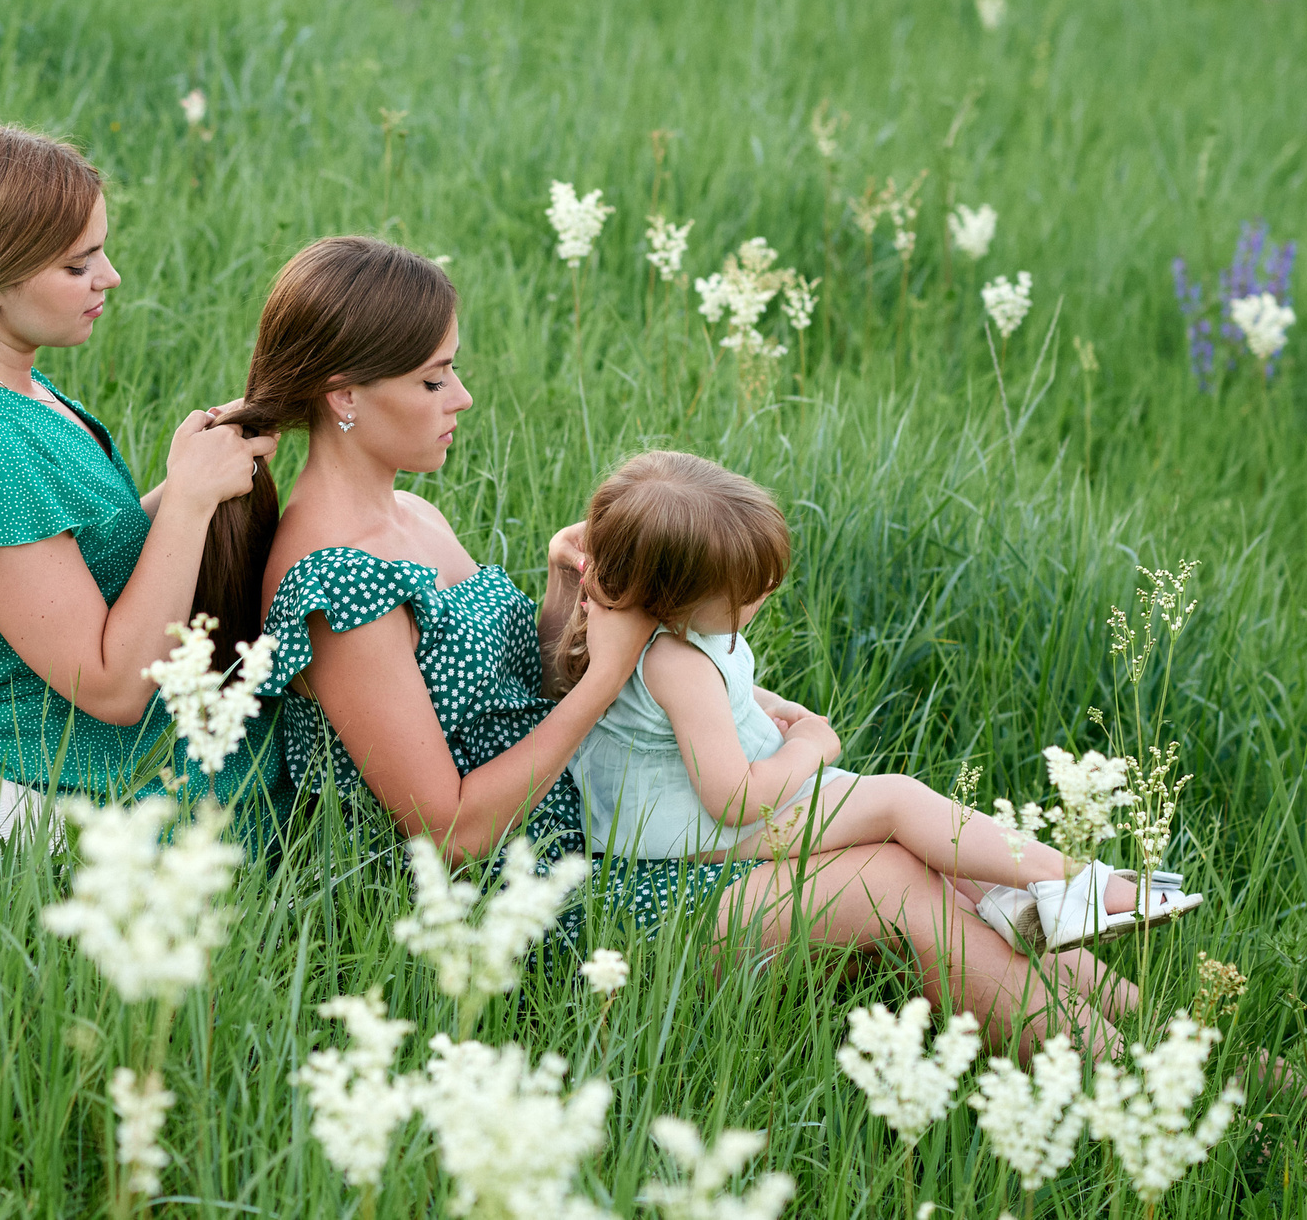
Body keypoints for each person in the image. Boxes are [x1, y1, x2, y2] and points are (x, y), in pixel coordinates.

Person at [209, 234, 1146, 1055]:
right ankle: (1122, 1080)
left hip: (610, 830)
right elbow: (451, 832)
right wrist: (608, 673)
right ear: (344, 396)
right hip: (539, 908)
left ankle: (1141, 1023)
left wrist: (566, 594)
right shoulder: (336, 585)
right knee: (887, 877)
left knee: (919, 850)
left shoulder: (410, 515)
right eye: (432, 378)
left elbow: (509, 694)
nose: (462, 394)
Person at [551, 450, 1202, 953]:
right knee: (898, 802)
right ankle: (1085, 884)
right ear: (677, 596)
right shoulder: (678, 662)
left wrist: (767, 704)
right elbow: (736, 799)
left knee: (915, 829)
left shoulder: (642, 628)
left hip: (689, 823)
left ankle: (1016, 900)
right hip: (706, 833)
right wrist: (810, 745)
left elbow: (705, 700)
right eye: (747, 592)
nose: (764, 595)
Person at [0, 125, 283, 824]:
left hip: (102, 753)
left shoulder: (19, 390)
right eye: (78, 266)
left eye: (100, 251)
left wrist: (191, 476)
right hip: (68, 784)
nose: (109, 277)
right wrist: (191, 502)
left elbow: (86, 551)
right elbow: (110, 688)